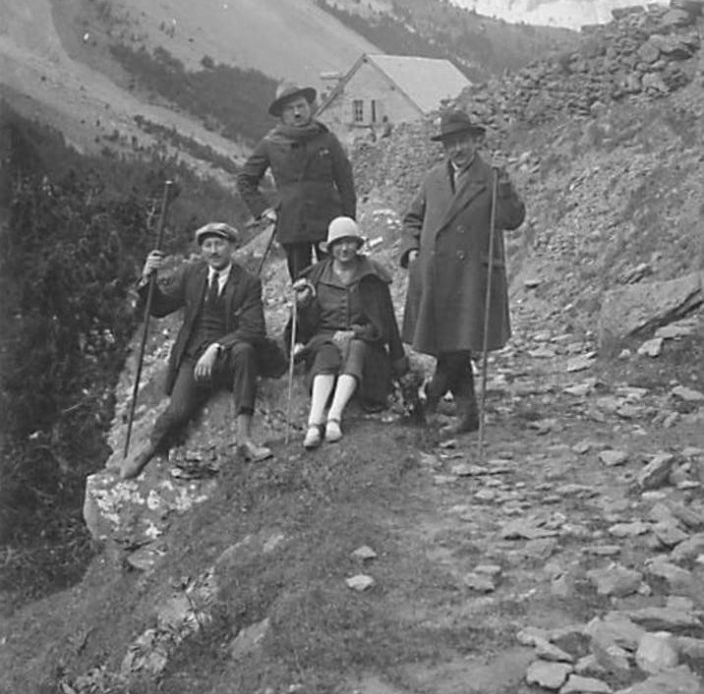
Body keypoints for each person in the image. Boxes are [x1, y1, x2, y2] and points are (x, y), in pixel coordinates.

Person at [399, 108, 525, 436]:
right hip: (434, 274)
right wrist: (411, 249)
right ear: (444, 147)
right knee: (450, 343)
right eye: (451, 143)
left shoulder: (491, 179)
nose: (458, 149)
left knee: (458, 343)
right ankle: (467, 414)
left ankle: (431, 396)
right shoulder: (432, 179)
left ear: (475, 141)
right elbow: (412, 219)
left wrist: (508, 188)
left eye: (464, 141)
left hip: (472, 276)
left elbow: (512, 220)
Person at [120, 222, 272, 480]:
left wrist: (217, 347)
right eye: (208, 245)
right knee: (178, 411)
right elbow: (160, 307)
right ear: (202, 249)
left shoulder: (247, 282)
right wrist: (148, 280)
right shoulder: (192, 274)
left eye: (219, 244)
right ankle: (146, 451)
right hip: (192, 358)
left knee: (245, 351)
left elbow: (255, 328)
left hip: (228, 356)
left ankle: (244, 440)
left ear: (232, 246)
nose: (214, 251)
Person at [291, 217, 408, 449]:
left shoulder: (372, 276)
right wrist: (303, 305)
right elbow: (306, 326)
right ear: (330, 247)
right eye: (338, 243)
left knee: (356, 347)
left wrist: (356, 333)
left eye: (349, 243)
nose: (344, 249)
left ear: (357, 245)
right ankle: (315, 423)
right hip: (325, 339)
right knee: (326, 351)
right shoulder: (315, 275)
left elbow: (384, 325)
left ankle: (335, 417)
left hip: (365, 344)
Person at [238, 81, 356, 281]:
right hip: (293, 225)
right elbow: (245, 180)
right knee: (302, 286)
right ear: (282, 115)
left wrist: (348, 222)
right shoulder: (271, 143)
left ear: (309, 108)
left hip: (328, 223)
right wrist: (264, 210)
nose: (297, 113)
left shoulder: (327, 139)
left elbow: (346, 182)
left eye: (301, 106)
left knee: (334, 283)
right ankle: (303, 313)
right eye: (290, 109)